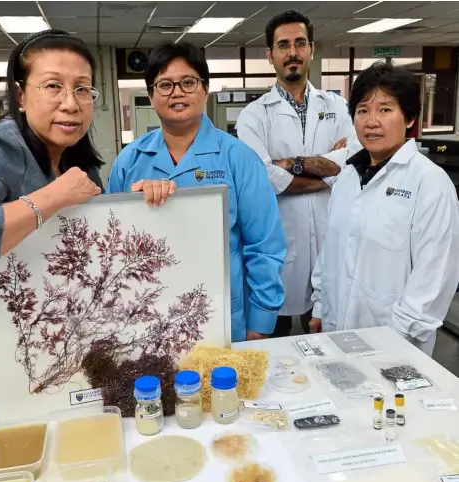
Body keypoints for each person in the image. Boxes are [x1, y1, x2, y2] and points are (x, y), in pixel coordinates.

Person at [107, 41, 286, 343]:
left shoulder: (238, 158)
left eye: (188, 82)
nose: (177, 92)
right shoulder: (129, 161)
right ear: (151, 96)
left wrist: (261, 321)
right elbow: (112, 246)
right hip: (147, 317)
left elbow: (264, 246)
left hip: (225, 317)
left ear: (205, 90)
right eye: (164, 85)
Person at [310, 62, 459, 356]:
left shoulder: (429, 184)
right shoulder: (348, 177)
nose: (371, 121)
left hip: (397, 345)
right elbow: (331, 250)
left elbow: (435, 277)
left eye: (385, 109)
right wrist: (319, 305)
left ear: (409, 118)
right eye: (363, 110)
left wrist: (397, 339)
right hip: (335, 331)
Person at [236, 10, 360, 337]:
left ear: (311, 49)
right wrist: (325, 167)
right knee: (271, 346)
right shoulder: (253, 116)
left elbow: (352, 163)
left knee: (325, 345)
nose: (292, 52)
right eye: (283, 45)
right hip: (276, 250)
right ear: (270, 55)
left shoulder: (338, 107)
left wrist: (291, 164)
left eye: (299, 43)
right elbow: (262, 177)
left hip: (328, 242)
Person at [0, 29, 103, 270]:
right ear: (20, 96)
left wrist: (134, 201)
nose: (71, 104)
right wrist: (53, 196)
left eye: (82, 89)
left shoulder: (80, 160)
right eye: (53, 85)